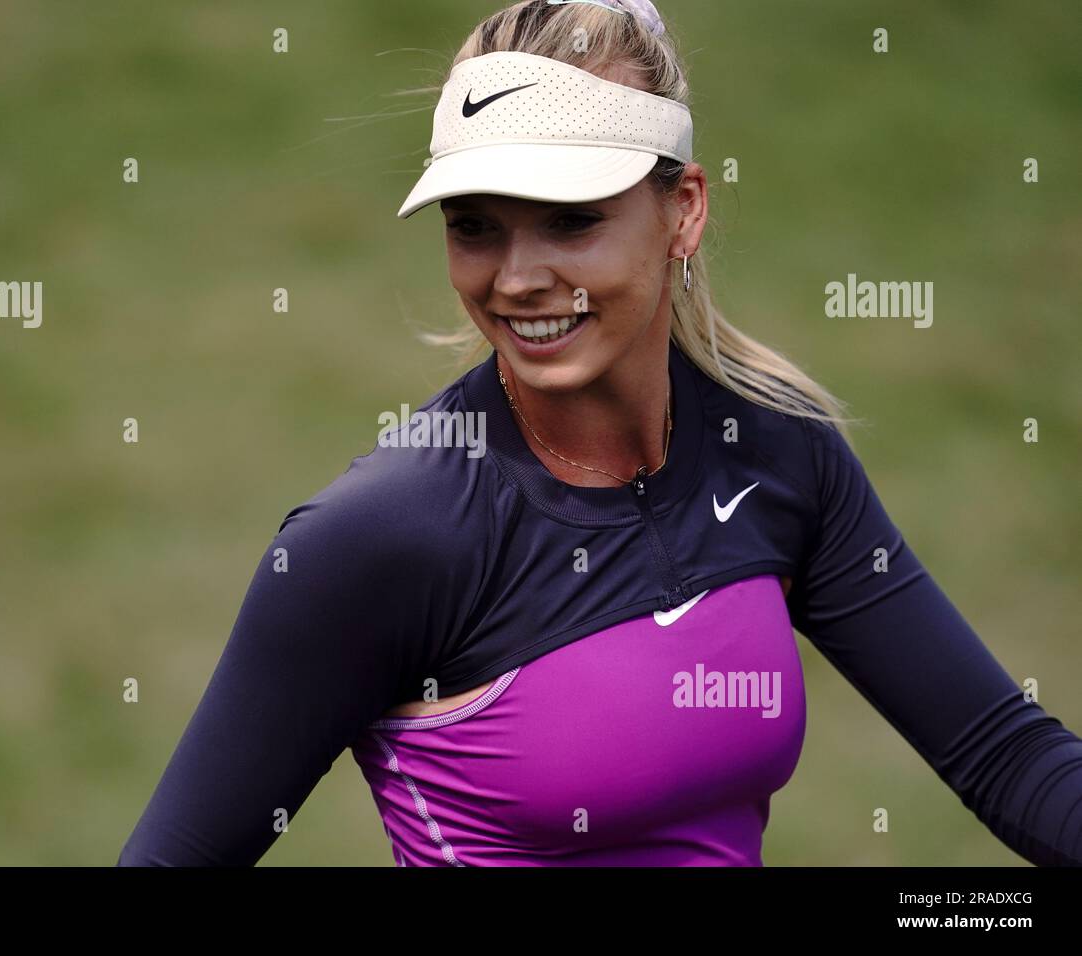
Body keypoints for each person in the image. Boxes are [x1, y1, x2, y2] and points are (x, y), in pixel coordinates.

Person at [117, 0, 1082, 866]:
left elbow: (1005, 756)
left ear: (684, 211)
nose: (517, 276)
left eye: (573, 221)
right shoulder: (383, 536)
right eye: (476, 225)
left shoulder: (783, 452)